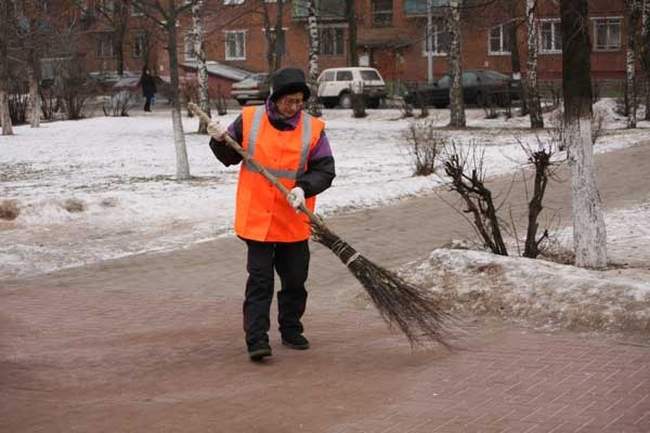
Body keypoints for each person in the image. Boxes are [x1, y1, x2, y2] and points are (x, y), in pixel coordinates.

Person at [207, 67, 336, 362]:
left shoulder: (312, 128)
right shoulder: (250, 119)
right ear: (274, 99)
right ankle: (257, 340)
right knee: (260, 281)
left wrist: (304, 188)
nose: (295, 107)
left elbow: (325, 170)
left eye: (299, 101)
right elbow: (230, 156)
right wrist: (218, 140)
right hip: (259, 219)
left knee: (294, 280)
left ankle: (291, 329)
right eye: (289, 101)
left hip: (293, 218)